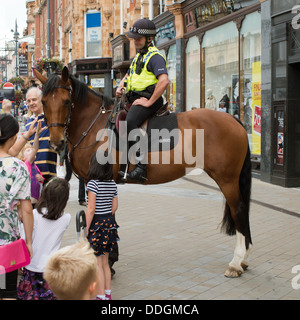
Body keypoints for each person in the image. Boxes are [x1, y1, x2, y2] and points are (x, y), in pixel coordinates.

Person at [116, 18, 169, 183]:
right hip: (134, 98)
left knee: (131, 121)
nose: (135, 41)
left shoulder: (155, 57)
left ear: (149, 39)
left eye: (138, 39)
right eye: (134, 38)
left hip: (148, 99)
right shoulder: (138, 57)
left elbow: (164, 81)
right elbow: (129, 75)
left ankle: (141, 167)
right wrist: (121, 85)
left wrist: (148, 102)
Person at [17, 177, 71, 300]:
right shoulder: (66, 218)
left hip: (31, 265)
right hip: (51, 268)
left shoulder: (34, 215)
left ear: (44, 194)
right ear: (64, 200)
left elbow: (24, 238)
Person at [0, 114, 33, 300]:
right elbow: (27, 210)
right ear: (13, 137)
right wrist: (28, 242)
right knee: (7, 291)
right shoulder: (18, 167)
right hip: (7, 244)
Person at [86, 151, 119, 300]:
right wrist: (107, 216)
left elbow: (91, 209)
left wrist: (86, 228)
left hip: (97, 224)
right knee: (105, 262)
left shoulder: (93, 184)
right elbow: (115, 206)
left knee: (98, 263)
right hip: (109, 224)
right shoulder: (112, 183)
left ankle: (99, 295)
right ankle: (107, 294)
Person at [24, 87, 57, 184]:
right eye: (29, 101)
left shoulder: (50, 118)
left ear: (42, 100)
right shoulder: (28, 122)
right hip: (33, 172)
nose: (31, 103)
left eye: (34, 100)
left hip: (48, 171)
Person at [19, 121, 45, 207]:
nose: (31, 151)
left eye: (30, 149)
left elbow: (41, 179)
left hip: (36, 199)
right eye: (27, 150)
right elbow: (35, 149)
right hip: (28, 199)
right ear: (23, 157)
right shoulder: (27, 164)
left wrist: (41, 178)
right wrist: (36, 135)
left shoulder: (35, 166)